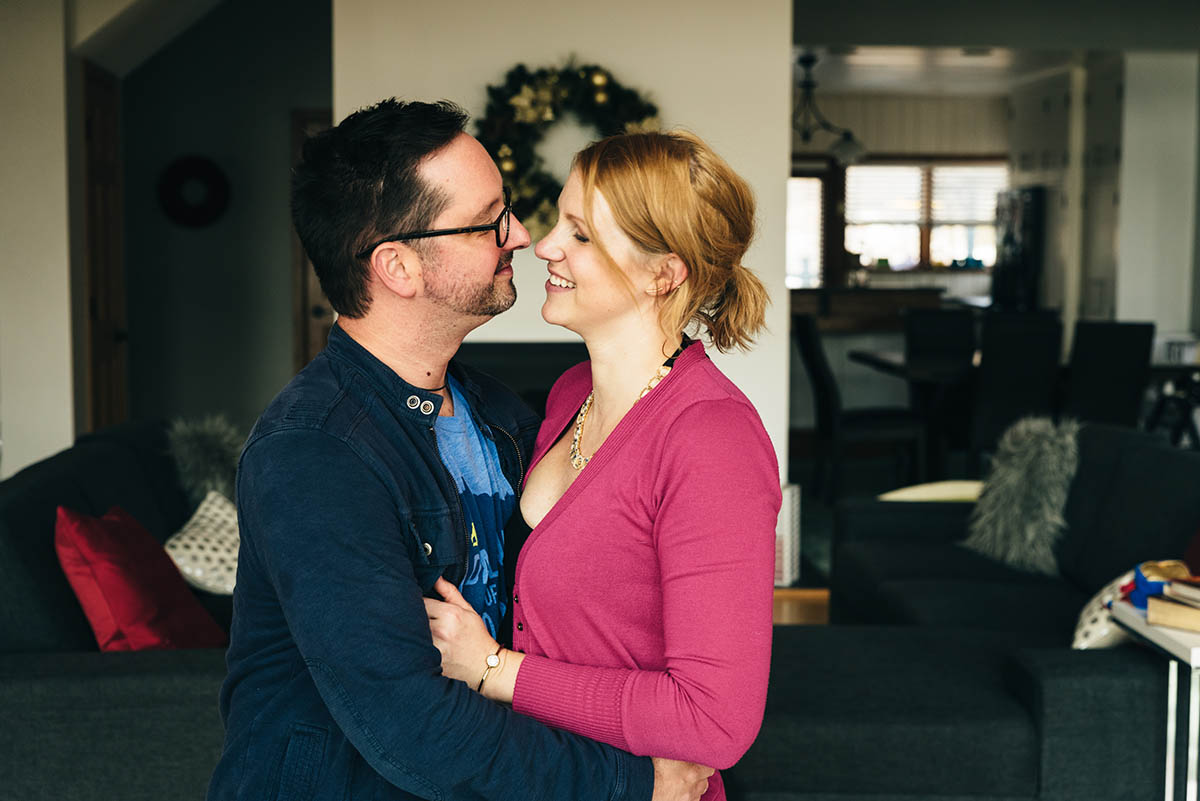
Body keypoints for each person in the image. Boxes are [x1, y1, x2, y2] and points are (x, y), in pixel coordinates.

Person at [206, 99, 713, 801]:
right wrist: (631, 781)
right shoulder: (313, 455)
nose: (523, 235)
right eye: (490, 220)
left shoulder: (504, 414)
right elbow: (406, 721)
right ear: (399, 267)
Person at [424, 130, 782, 801]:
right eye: (561, 219)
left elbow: (715, 719)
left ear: (663, 272)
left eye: (581, 233)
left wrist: (494, 669)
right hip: (545, 777)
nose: (546, 243)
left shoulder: (712, 439)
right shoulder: (569, 395)